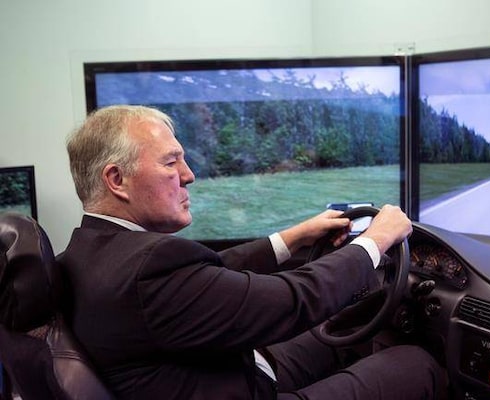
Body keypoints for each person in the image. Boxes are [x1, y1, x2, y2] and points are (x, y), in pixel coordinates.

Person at [59, 105, 444, 399]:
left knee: (339, 330)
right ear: (117, 179)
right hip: (241, 388)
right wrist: (376, 241)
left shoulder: (86, 253)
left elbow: (208, 276)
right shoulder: (148, 269)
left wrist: (293, 237)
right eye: (171, 162)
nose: (189, 175)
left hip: (222, 372)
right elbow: (295, 301)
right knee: (415, 364)